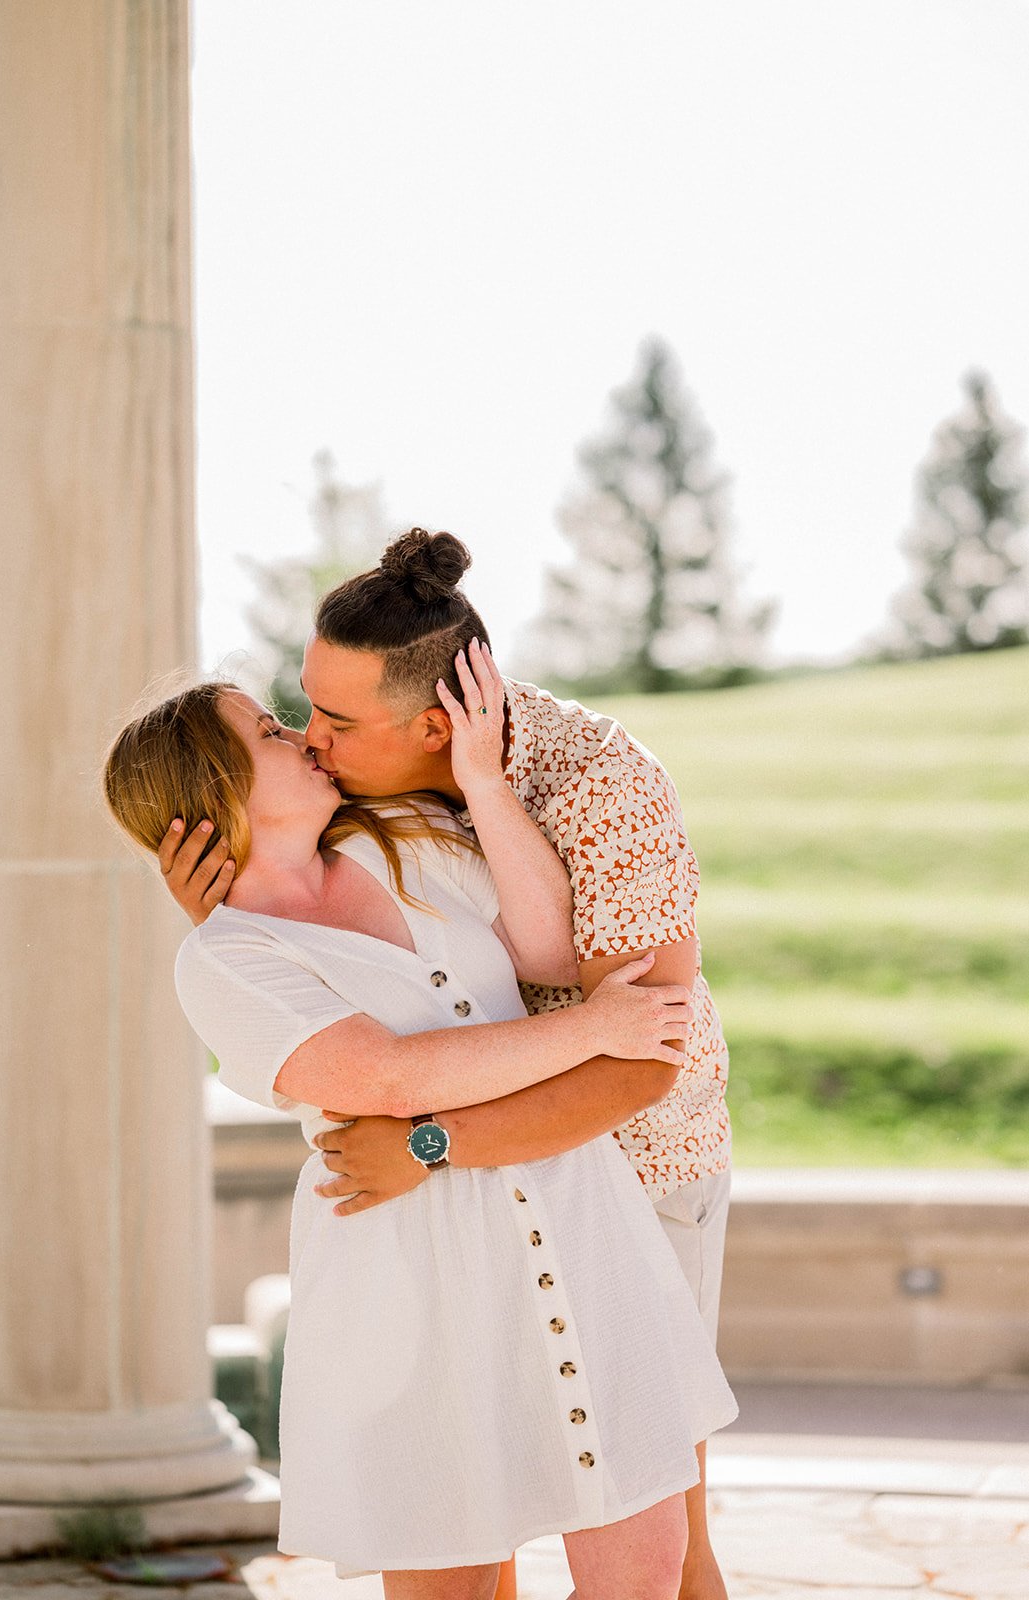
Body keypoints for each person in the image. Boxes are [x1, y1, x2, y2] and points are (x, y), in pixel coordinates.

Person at [161, 528, 735, 1600]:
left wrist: (429, 1143)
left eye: (331, 721)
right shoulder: (376, 805)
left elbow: (637, 1055)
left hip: (636, 1160)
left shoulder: (601, 789)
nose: (313, 740)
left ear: (434, 722)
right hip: (453, 1208)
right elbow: (324, 965)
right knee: (479, 1505)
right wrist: (234, 903)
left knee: (667, 1543)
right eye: (300, 712)